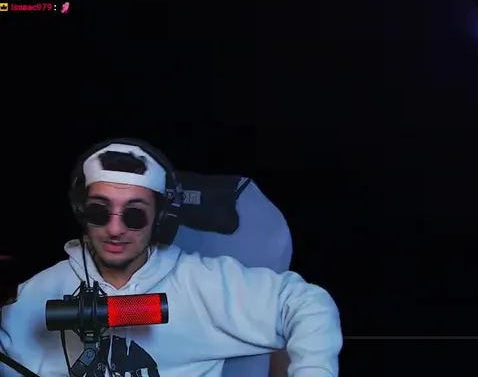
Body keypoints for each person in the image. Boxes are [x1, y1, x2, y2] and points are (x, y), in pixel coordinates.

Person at [0, 140, 341, 376]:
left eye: (134, 215)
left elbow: (305, 303)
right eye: (99, 212)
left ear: (161, 219)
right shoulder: (36, 297)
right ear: (81, 211)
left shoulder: (201, 285)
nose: (115, 229)